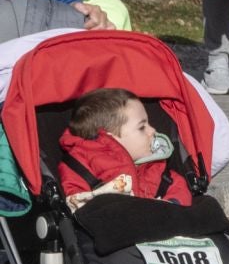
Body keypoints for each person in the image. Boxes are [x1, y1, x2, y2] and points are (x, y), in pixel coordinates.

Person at [56, 87, 188, 207]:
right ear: (111, 139)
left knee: (206, 206)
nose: (152, 130)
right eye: (142, 127)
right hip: (110, 225)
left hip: (158, 223)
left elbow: (176, 185)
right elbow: (76, 202)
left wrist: (172, 204)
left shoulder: (154, 166)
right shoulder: (80, 167)